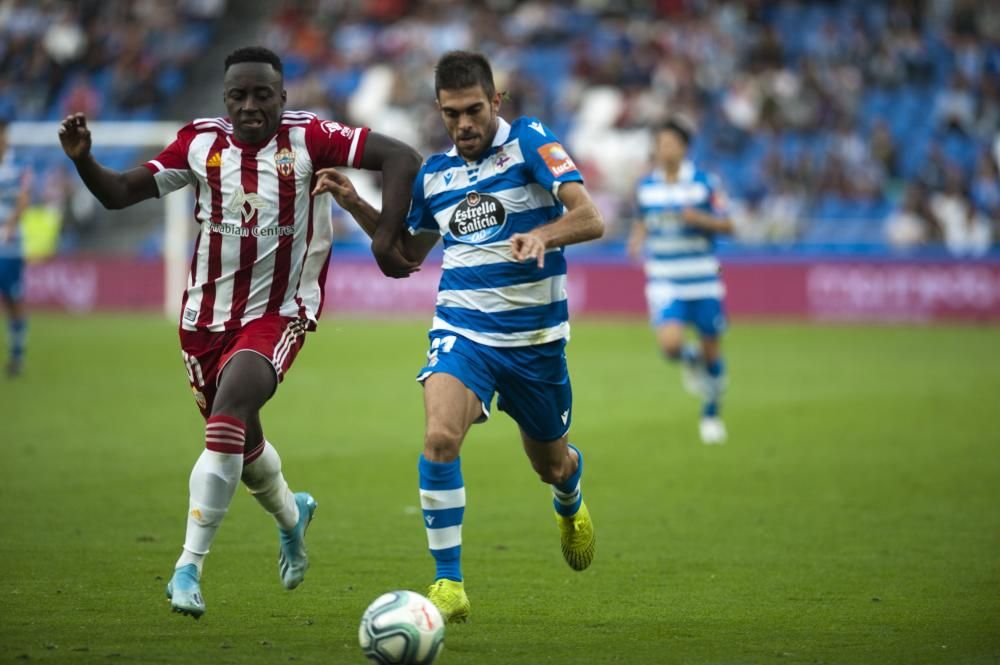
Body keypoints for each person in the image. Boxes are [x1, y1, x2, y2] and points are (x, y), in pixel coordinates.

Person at [58, 46, 422, 619]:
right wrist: (84, 161)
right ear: (225, 99)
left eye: (262, 95)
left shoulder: (311, 137)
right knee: (240, 447)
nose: (250, 106)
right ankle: (290, 515)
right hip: (203, 322)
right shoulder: (200, 143)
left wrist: (383, 238)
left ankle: (187, 568)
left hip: (280, 312)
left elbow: (402, 156)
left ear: (283, 96)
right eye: (238, 96)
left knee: (228, 417)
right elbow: (119, 192)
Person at [315, 51, 605, 623]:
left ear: (496, 102)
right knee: (440, 437)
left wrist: (545, 233)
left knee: (550, 464)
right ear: (439, 112)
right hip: (462, 332)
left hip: (535, 343)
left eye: (474, 110)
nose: (464, 124)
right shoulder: (435, 174)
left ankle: (568, 495)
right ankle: (448, 583)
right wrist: (355, 206)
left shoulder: (530, 143)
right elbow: (405, 254)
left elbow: (591, 217)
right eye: (452, 114)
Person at [627, 118, 734, 445]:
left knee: (713, 351)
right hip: (665, 277)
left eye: (671, 143)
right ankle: (691, 360)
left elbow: (729, 225)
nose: (665, 149)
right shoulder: (646, 186)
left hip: (703, 278)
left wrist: (699, 218)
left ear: (684, 148)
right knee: (670, 345)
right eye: (660, 143)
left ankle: (711, 413)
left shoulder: (704, 183)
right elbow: (644, 219)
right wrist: (637, 239)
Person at [0, 120, 33, 378]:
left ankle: (17, 354)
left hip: (9, 247)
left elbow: (23, 198)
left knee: (13, 300)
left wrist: (9, 227)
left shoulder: (16, 165)